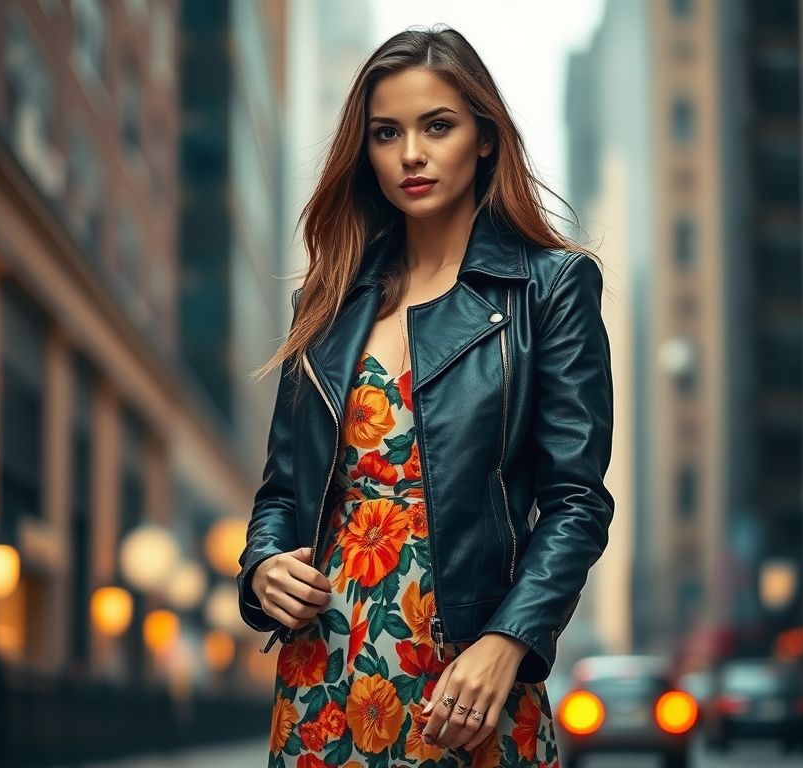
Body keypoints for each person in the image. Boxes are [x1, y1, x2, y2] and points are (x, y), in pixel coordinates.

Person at [236, 24, 615, 768]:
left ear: (482, 137)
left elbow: (576, 501)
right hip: (325, 664)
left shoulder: (551, 287)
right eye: (386, 133)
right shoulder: (327, 302)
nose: (411, 153)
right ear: (365, 149)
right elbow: (283, 493)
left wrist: (510, 642)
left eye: (437, 126)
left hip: (469, 670)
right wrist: (263, 565)